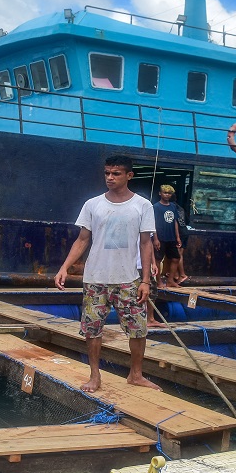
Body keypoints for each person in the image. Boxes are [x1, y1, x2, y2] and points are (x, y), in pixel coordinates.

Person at [54, 155, 160, 393]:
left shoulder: (142, 206)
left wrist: (145, 280)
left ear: (129, 176)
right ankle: (94, 376)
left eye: (116, 173)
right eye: (107, 173)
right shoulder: (93, 204)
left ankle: (136, 374)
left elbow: (146, 244)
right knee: (92, 328)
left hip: (128, 279)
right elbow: (82, 239)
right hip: (95, 279)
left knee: (138, 328)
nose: (110, 178)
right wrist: (64, 267)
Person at [152, 184, 184, 287]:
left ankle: (170, 281)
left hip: (171, 237)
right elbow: (153, 223)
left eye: (169, 193)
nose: (167, 195)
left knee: (175, 258)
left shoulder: (173, 206)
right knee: (157, 259)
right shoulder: (156, 207)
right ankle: (158, 281)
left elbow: (175, 222)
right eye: (165, 193)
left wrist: (178, 237)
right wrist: (155, 238)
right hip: (160, 237)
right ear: (160, 194)